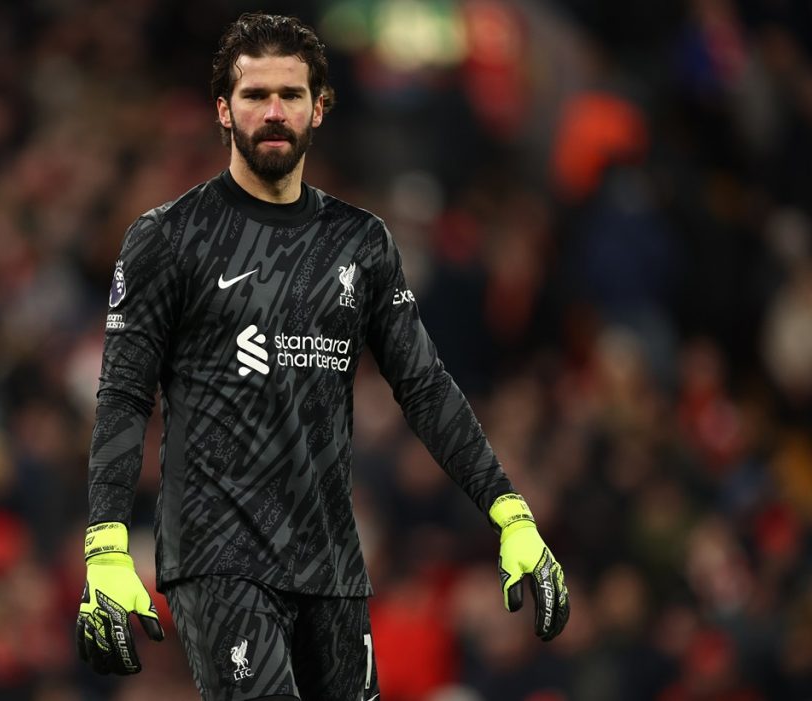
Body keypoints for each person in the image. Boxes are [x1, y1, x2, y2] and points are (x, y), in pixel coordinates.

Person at [75, 12, 569, 700]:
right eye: (254, 96)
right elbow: (124, 394)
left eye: (291, 95)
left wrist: (509, 512)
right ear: (224, 110)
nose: (273, 112)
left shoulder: (360, 243)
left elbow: (424, 387)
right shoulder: (167, 239)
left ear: (320, 107)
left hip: (331, 560)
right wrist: (105, 542)